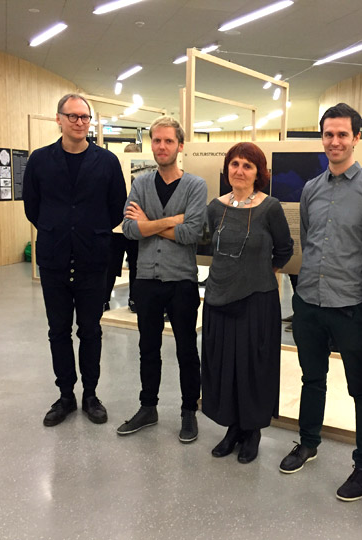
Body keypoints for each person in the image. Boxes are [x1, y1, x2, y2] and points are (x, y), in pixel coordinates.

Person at [279, 103, 362, 503]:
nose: (335, 141)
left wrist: (359, 281)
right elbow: (309, 240)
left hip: (348, 305)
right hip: (309, 300)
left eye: (343, 134)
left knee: (361, 386)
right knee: (312, 378)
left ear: (357, 138)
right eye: (328, 134)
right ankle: (308, 442)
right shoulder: (311, 189)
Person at [23, 93, 127, 427]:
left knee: (91, 330)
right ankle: (66, 395)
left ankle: (91, 395)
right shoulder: (40, 160)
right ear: (59, 119)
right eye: (73, 117)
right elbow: (32, 206)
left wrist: (88, 229)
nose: (80, 123)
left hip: (93, 258)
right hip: (53, 257)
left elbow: (116, 207)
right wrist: (58, 228)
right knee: (58, 331)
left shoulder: (107, 161)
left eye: (85, 117)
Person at [201, 142, 293, 464]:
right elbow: (210, 245)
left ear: (259, 173)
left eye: (247, 166)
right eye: (234, 164)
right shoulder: (216, 207)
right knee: (225, 366)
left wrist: (260, 274)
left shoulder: (270, 208)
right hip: (219, 299)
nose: (239, 170)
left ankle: (252, 431)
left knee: (253, 367)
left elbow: (284, 249)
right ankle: (233, 428)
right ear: (227, 169)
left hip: (256, 301)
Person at [117, 116, 207, 444]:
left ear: (180, 146)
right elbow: (128, 229)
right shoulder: (140, 183)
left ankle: (188, 412)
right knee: (147, 347)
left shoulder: (195, 185)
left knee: (186, 348)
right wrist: (170, 221)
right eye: (156, 141)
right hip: (146, 280)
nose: (162, 147)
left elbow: (191, 233)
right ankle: (148, 407)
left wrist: (149, 223)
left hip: (181, 280)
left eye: (168, 141)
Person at [103, 142, 140, 313]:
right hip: (127, 228)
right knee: (132, 265)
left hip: (120, 228)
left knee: (113, 265)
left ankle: (104, 300)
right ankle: (134, 300)